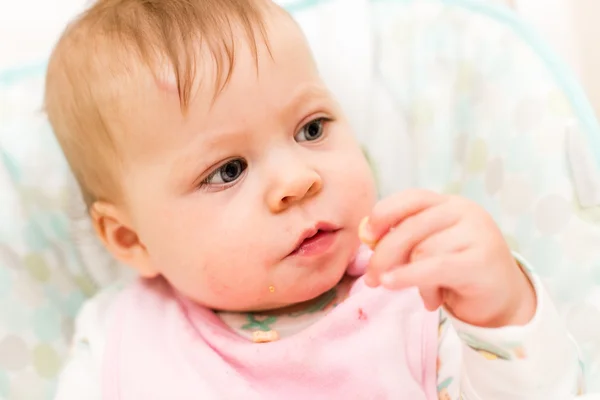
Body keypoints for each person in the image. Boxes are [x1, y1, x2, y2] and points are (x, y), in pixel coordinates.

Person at [45, 0, 582, 398]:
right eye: (228, 170)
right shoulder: (122, 344)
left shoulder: (419, 298)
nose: (298, 180)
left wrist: (502, 311)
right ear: (131, 238)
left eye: (311, 128)